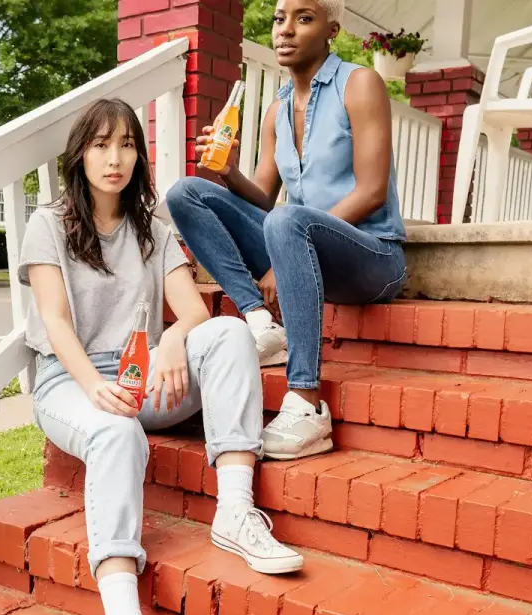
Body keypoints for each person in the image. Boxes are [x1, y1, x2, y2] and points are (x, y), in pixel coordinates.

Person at [19, 98, 303, 615]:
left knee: (228, 332)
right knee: (117, 436)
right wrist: (93, 387)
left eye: (126, 144)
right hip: (69, 380)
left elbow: (194, 313)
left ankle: (235, 512)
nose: (114, 158)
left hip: (141, 373)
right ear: (79, 155)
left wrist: (171, 342)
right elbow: (54, 321)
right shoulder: (47, 224)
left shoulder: (152, 229)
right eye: (100, 145)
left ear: (139, 157)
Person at [165, 0, 408, 460]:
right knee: (186, 193)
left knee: (286, 219)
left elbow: (373, 190)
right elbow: (262, 194)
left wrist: (286, 246)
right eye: (280, 19)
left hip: (373, 257)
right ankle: (261, 322)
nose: (286, 30)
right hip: (299, 246)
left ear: (331, 29)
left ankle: (308, 403)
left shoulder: (359, 84)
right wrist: (231, 172)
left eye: (304, 18)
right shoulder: (276, 110)